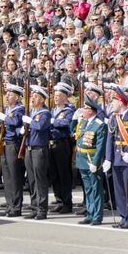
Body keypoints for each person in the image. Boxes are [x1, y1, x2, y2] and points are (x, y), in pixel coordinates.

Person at [103, 86, 128, 228]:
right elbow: (110, 140)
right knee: (119, 190)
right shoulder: (113, 118)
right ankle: (123, 216)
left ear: (121, 101)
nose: (112, 104)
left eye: (114, 101)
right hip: (117, 159)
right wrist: (108, 159)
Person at [76, 96, 107, 226]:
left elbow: (100, 146)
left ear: (91, 110)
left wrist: (95, 162)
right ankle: (89, 213)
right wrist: (74, 121)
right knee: (88, 189)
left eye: (85, 108)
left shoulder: (100, 125)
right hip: (82, 159)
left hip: (91, 161)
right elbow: (76, 135)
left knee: (96, 189)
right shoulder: (84, 122)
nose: (82, 110)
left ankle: (97, 216)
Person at [22, 84, 51, 220]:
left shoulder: (44, 113)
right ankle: (34, 207)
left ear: (42, 100)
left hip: (39, 149)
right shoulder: (32, 113)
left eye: (36, 97)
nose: (32, 99)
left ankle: (42, 209)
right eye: (32, 96)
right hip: (29, 149)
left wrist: (30, 122)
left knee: (40, 180)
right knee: (32, 180)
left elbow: (40, 126)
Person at [0, 81, 25, 217]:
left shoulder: (19, 109)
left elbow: (15, 122)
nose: (7, 96)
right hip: (5, 144)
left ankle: (16, 206)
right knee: (7, 177)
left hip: (14, 144)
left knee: (14, 177)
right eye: (7, 94)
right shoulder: (7, 110)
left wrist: (5, 120)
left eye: (10, 94)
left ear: (17, 97)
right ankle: (9, 205)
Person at [49, 82, 75, 213]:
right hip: (51, 143)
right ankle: (59, 200)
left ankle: (67, 202)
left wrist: (54, 122)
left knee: (64, 174)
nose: (56, 97)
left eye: (59, 95)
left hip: (62, 144)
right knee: (54, 174)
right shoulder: (53, 110)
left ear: (65, 97)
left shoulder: (69, 110)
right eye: (55, 95)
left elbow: (67, 123)